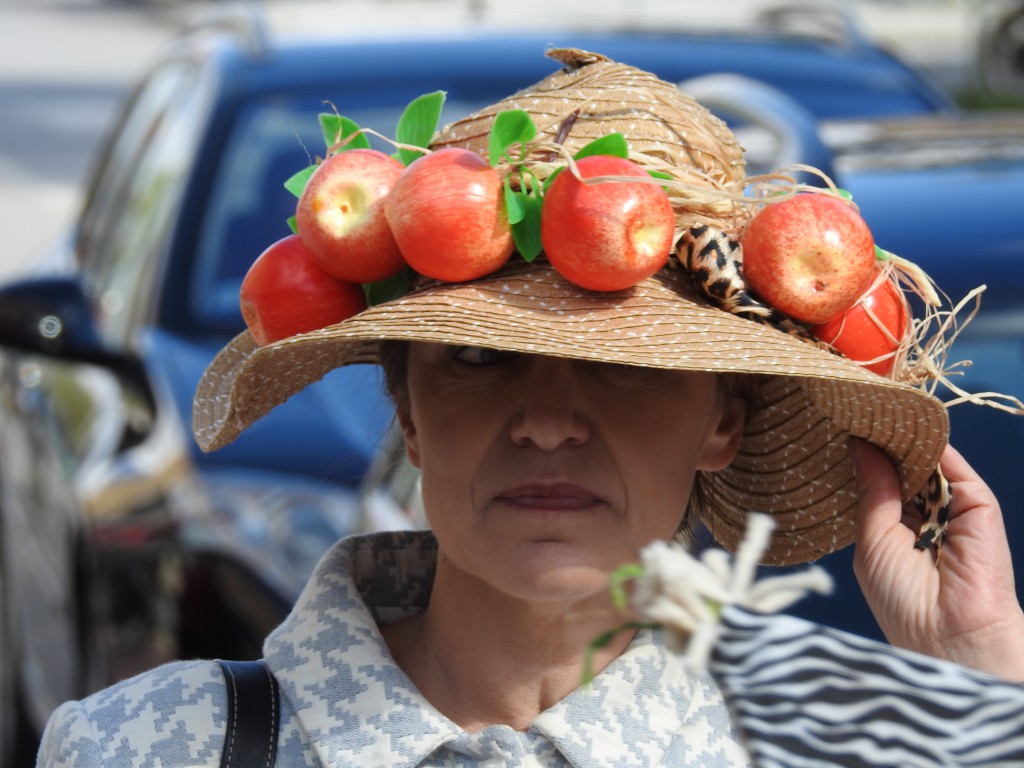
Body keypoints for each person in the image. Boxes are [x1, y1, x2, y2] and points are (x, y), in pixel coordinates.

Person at [37, 48, 1024, 767]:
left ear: (722, 422)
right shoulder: (148, 748)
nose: (547, 423)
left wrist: (980, 680)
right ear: (408, 409)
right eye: (479, 358)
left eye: (628, 368)